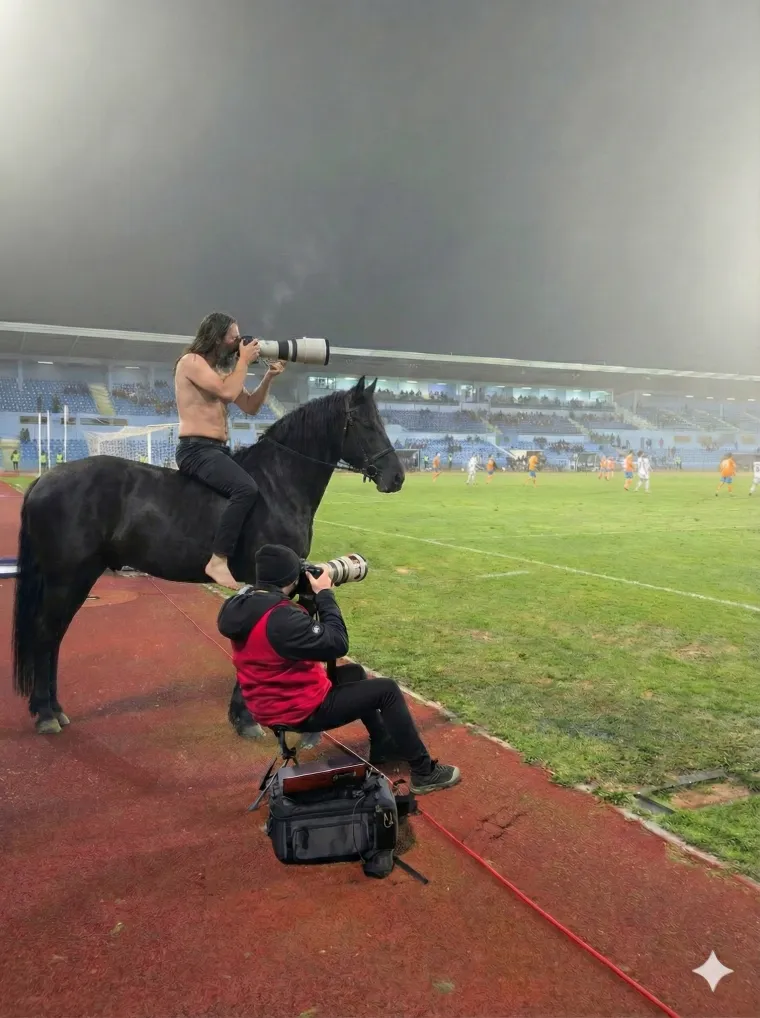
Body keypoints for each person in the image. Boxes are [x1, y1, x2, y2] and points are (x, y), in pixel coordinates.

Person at [217, 544, 460, 796]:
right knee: (386, 690)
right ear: (291, 578)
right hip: (297, 710)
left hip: (268, 700)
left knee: (353, 673)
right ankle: (424, 772)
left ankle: (383, 744)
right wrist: (324, 595)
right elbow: (337, 644)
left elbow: (288, 639)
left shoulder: (242, 605)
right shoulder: (281, 619)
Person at [174, 312, 286, 588]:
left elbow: (249, 406)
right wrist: (245, 361)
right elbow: (225, 393)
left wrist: (268, 378)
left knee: (257, 486)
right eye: (233, 337)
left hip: (218, 450)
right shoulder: (192, 362)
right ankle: (218, 560)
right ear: (216, 337)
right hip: (196, 450)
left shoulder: (224, 373)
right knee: (245, 489)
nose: (238, 342)